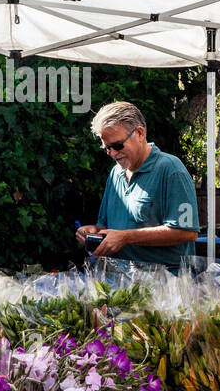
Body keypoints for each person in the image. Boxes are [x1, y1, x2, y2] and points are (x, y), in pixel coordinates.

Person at [75, 101, 199, 270]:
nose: (112, 153)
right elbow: (105, 226)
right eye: (107, 148)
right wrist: (93, 232)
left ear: (140, 133)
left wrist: (126, 237)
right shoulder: (116, 174)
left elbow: (187, 232)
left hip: (165, 285)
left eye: (118, 145)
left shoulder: (171, 170)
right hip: (120, 281)